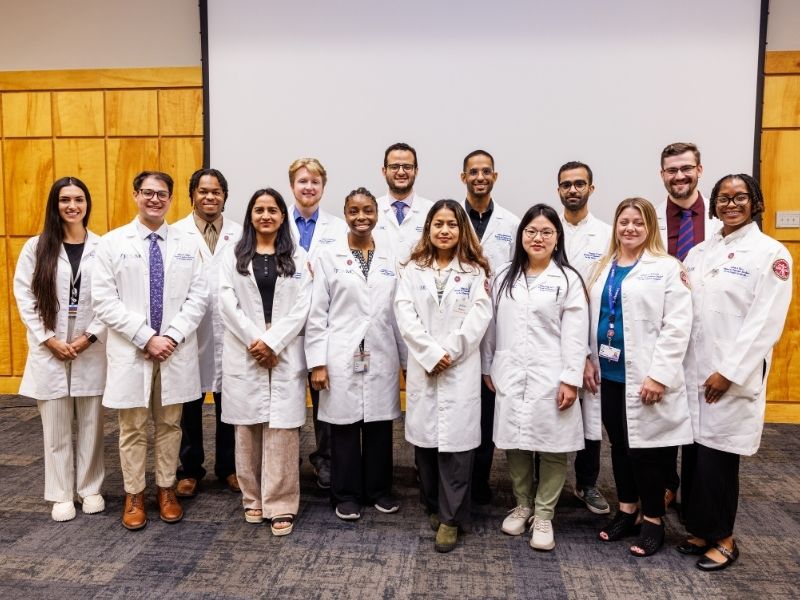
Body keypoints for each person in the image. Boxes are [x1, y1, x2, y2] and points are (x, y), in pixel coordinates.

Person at [678, 174, 792, 571]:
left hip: (728, 378)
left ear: (755, 202)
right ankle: (697, 529)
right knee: (693, 456)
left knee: (719, 461)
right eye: (723, 198)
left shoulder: (771, 254)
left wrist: (728, 372)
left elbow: (765, 324)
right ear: (713, 204)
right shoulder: (699, 252)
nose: (731, 204)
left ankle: (723, 539)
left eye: (740, 197)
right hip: (693, 373)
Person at [92, 171, 208, 530]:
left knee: (171, 425)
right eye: (148, 193)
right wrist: (146, 337)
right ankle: (133, 494)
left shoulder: (187, 244)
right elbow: (104, 300)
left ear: (171, 199)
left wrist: (170, 336)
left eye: (161, 194)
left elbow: (199, 296)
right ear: (135, 195)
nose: (154, 199)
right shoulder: (112, 243)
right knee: (132, 427)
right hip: (134, 351)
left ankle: (166, 489)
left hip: (174, 350)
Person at [583, 197, 693, 557]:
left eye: (638, 223)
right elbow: (591, 318)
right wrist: (587, 358)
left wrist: (659, 375)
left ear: (650, 228)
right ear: (615, 226)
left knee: (646, 452)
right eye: (624, 222)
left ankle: (654, 520)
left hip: (645, 376)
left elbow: (677, 326)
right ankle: (627, 509)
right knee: (619, 445)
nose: (630, 228)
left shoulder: (666, 267)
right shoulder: (603, 268)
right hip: (610, 373)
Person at [483, 204, 589, 551]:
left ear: (557, 238)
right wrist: (489, 366)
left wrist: (571, 378)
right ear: (521, 236)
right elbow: (491, 328)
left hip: (552, 374)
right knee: (515, 441)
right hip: (510, 371)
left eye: (546, 232)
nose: (538, 238)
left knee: (553, 445)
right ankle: (523, 503)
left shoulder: (568, 279)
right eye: (531, 231)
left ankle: (544, 514)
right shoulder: (503, 277)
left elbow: (576, 334)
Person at [394, 199, 492, 553]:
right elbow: (404, 314)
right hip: (426, 367)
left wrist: (448, 351)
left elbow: (479, 318)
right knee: (426, 446)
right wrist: (430, 353)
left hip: (457, 367)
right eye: (438, 223)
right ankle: (434, 505)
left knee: (457, 450)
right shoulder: (413, 269)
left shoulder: (475, 271)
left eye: (452, 223)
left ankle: (452, 518)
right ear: (429, 229)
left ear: (461, 229)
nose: (445, 230)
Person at [306, 187, 406, 521]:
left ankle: (378, 490)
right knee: (344, 427)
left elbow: (400, 311)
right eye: (353, 211)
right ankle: (345, 493)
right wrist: (317, 363)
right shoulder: (329, 256)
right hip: (340, 353)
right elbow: (317, 313)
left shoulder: (391, 257)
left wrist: (406, 362)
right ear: (345, 214)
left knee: (379, 426)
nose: (361, 217)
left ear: (377, 214)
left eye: (367, 211)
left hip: (381, 350)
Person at [218, 188, 312, 536]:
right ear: (250, 215)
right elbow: (225, 300)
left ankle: (282, 503)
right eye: (259, 209)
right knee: (247, 428)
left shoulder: (297, 257)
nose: (266, 215)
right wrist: (255, 340)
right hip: (246, 345)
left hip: (282, 346)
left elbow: (304, 305)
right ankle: (252, 498)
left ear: (283, 216)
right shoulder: (234, 255)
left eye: (273, 209)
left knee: (282, 431)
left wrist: (272, 341)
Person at [13, 177, 107, 522]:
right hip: (49, 346)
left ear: (87, 204)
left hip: (90, 347)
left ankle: (90, 487)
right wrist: (48, 338)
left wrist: (89, 337)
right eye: (65, 200)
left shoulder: (103, 247)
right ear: (55, 205)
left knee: (92, 422)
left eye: (79, 199)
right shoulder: (35, 248)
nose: (72, 206)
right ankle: (61, 493)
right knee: (54, 425)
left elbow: (110, 298)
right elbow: (25, 297)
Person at [656, 142, 721, 511]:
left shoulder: (718, 223)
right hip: (661, 330)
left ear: (699, 170)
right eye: (671, 170)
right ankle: (667, 482)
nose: (679, 176)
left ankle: (698, 494)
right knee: (661, 408)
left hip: (705, 334)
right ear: (662, 175)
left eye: (686, 169)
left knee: (702, 418)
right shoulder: (649, 219)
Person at [173, 168, 242, 498]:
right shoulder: (176, 235)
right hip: (189, 333)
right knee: (188, 404)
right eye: (203, 191)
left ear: (225, 196)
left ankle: (229, 467)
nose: (210, 197)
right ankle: (189, 470)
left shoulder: (241, 235)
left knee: (231, 404)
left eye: (216, 191)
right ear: (192, 196)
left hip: (229, 333)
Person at [460, 149, 520, 505]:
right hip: (456, 322)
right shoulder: (450, 217)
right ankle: (455, 480)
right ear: (463, 177)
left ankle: (479, 482)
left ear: (495, 177)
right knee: (458, 405)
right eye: (473, 172)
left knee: (486, 408)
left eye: (486, 172)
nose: (480, 177)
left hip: (496, 326)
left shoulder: (510, 224)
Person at [287, 157, 348, 489]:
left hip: (324, 325)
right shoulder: (278, 223)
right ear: (292, 185)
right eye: (302, 181)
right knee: (288, 395)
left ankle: (324, 459)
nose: (308, 187)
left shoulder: (338, 228)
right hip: (288, 327)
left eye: (314, 182)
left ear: (323, 187)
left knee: (324, 397)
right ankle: (287, 458)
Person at [557, 160, 612, 516]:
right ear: (559, 189)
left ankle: (587, 483)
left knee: (591, 414)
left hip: (591, 337)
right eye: (566, 184)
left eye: (580, 184)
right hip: (549, 336)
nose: (573, 189)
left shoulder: (607, 235)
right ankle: (540, 483)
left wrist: (588, 355)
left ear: (591, 188)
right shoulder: (546, 228)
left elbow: (608, 294)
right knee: (549, 411)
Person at [374, 142, 432, 262]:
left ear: (416, 170)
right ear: (384, 171)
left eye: (407, 167)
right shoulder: (370, 210)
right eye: (394, 167)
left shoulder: (431, 210)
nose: (401, 172)